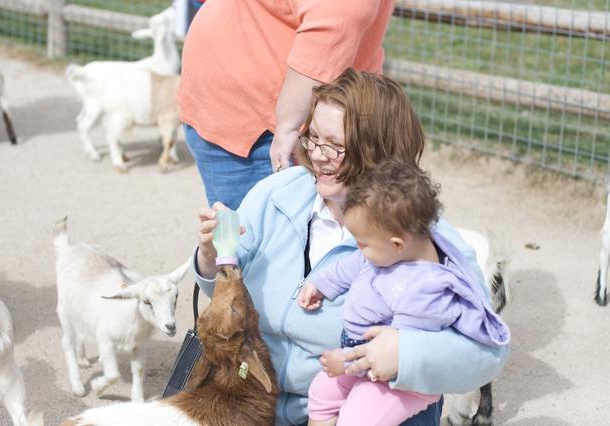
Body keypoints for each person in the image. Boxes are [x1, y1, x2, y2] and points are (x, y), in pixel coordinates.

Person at [191, 68, 509, 426]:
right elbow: (222, 292)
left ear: (379, 150)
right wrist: (211, 257)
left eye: (335, 145)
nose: (318, 155)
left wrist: (406, 354)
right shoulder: (277, 193)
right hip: (251, 401)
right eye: (312, 138)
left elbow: (489, 354)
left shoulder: (423, 238)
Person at [297, 160, 510, 426]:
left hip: (399, 379)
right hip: (363, 357)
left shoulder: (426, 288)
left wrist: (349, 362)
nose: (358, 250)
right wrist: (320, 284)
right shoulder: (383, 252)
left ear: (397, 244)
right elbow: (352, 265)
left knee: (356, 418)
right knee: (322, 392)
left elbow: (394, 350)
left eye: (361, 244)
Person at [178, 0, 397, 209]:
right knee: (268, 236)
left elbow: (337, 18)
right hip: (261, 123)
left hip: (260, 114)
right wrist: (288, 125)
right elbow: (336, 19)